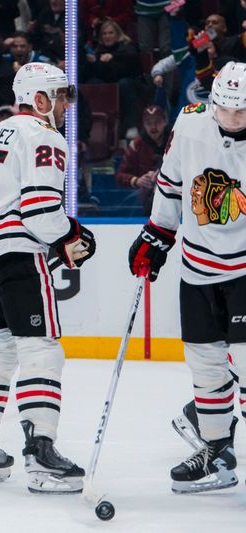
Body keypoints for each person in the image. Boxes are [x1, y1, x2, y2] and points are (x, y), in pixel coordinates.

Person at [0, 63, 96, 493]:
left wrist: (57, 240)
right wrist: (70, 234)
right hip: (12, 253)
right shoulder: (45, 136)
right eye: (60, 95)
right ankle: (41, 452)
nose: (66, 105)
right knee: (40, 348)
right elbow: (38, 209)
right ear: (38, 99)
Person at [128, 61, 246, 493]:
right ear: (212, 103)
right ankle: (216, 453)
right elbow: (172, 182)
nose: (234, 120)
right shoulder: (190, 125)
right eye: (227, 110)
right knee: (205, 364)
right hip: (198, 267)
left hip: (245, 267)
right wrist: (157, 233)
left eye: (243, 112)